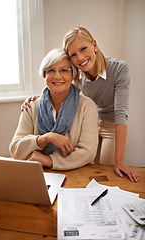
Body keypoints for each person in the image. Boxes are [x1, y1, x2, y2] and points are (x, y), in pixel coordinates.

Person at [21, 27, 139, 182]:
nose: (80, 57)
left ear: (94, 45)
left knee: (106, 171)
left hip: (111, 124)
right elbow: (60, 85)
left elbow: (121, 114)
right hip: (89, 122)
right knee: (85, 167)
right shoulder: (77, 74)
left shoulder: (119, 69)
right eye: (73, 55)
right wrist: (39, 98)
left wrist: (120, 161)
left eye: (83, 49)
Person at [9, 48, 98, 170]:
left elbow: (88, 152)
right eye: (51, 70)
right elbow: (15, 150)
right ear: (45, 74)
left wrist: (49, 161)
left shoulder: (87, 106)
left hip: (78, 173)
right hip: (40, 174)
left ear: (73, 74)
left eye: (64, 70)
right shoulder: (31, 106)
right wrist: (46, 138)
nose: (57, 76)